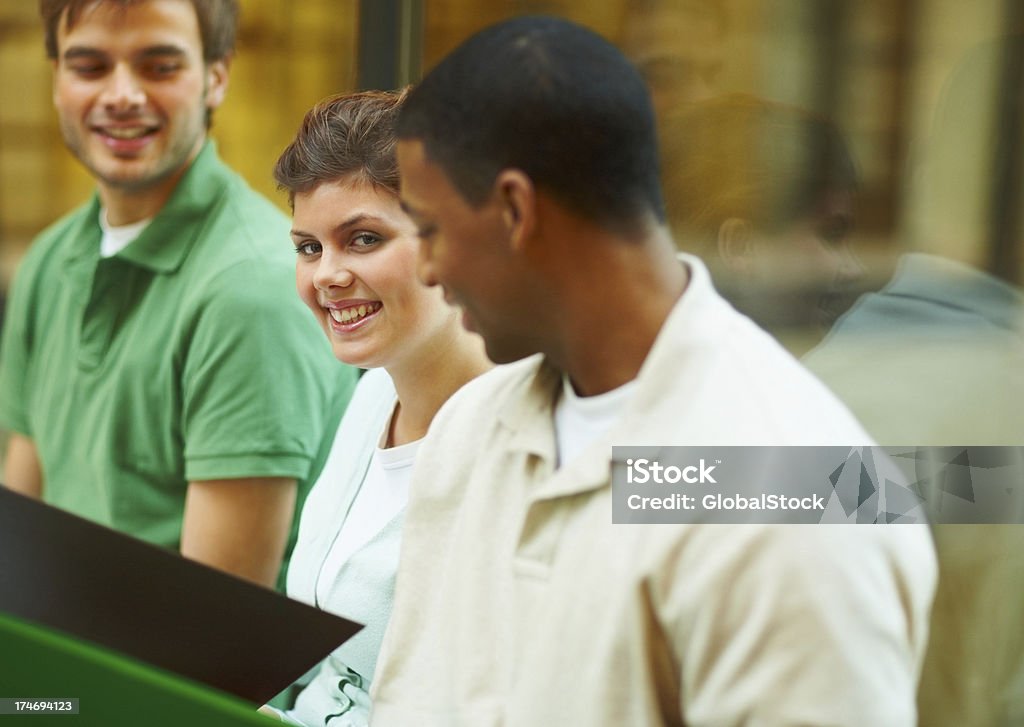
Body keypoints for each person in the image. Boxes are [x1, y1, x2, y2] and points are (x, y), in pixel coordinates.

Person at [370, 16, 937, 725]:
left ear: (515, 208)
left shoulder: (798, 488)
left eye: (429, 229)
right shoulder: (469, 433)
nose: (425, 269)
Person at [0, 0, 354, 588]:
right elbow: (21, 540)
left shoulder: (251, 290)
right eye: (89, 66)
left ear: (217, 76)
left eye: (158, 66)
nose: (121, 95)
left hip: (171, 675)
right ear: (56, 78)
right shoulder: (48, 260)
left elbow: (211, 633)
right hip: (63, 665)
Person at [268, 91, 491, 725]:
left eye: (362, 239)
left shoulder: (532, 433)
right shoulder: (372, 394)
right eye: (308, 247)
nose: (326, 275)